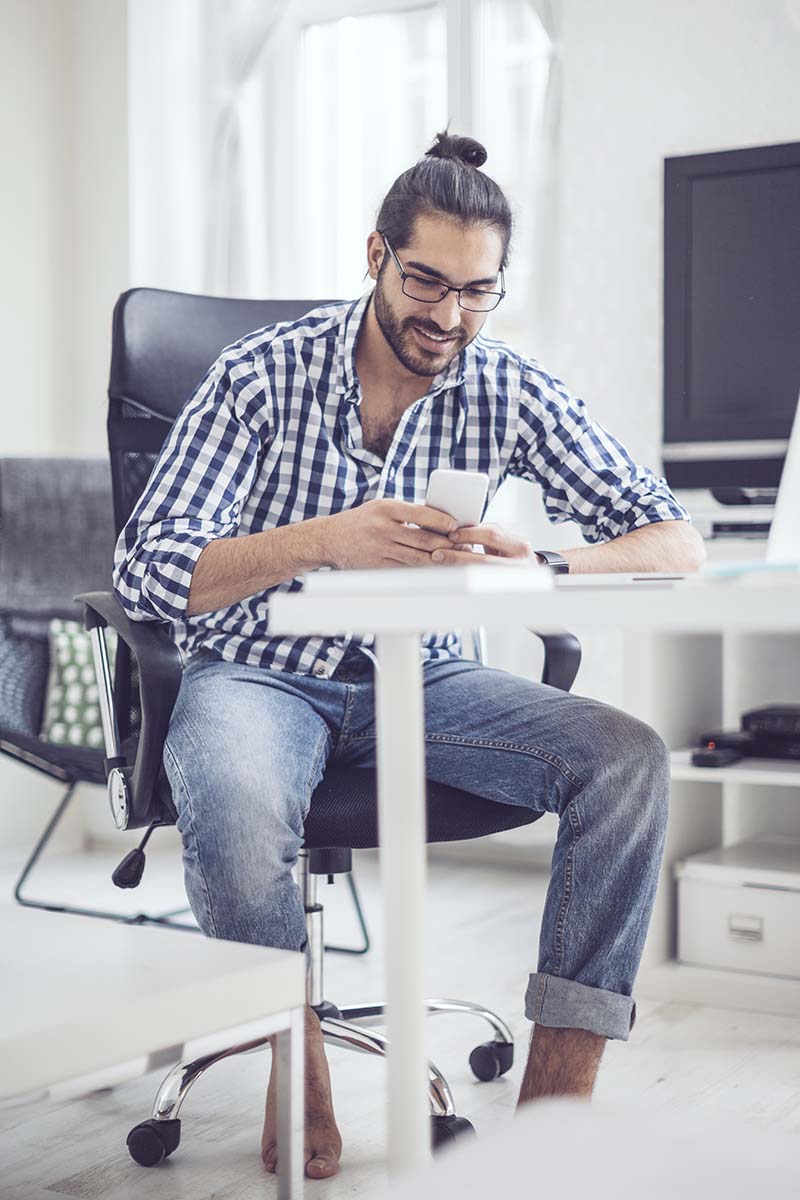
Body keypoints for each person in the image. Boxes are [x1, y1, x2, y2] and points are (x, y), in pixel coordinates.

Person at [114, 130, 706, 1180]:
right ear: (375, 253)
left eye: (476, 292)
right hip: (256, 669)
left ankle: (551, 1117)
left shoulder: (504, 383)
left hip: (421, 675)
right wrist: (325, 539)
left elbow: (669, 534)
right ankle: (298, 1077)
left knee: (627, 759)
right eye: (424, 281)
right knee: (239, 799)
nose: (445, 317)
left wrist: (547, 563)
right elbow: (148, 567)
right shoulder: (261, 374)